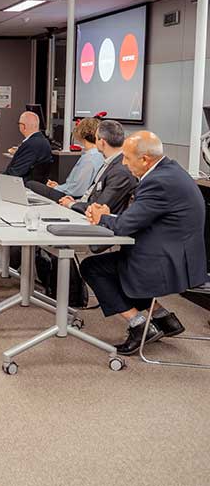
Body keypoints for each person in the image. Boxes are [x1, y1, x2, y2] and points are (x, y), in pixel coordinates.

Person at [81, 131, 207, 355]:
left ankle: (140, 325)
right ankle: (163, 318)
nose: (124, 163)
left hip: (165, 262)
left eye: (127, 158)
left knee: (93, 267)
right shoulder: (171, 171)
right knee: (120, 261)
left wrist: (102, 217)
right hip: (179, 255)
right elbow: (140, 217)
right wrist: (109, 216)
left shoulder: (157, 182)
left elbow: (124, 227)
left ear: (145, 160)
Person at [59, 120, 137, 215]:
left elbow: (100, 206)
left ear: (102, 142)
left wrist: (71, 204)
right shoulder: (111, 162)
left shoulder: (120, 171)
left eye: (96, 138)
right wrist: (77, 202)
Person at [26, 117, 104, 202]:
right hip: (69, 192)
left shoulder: (90, 159)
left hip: (69, 197)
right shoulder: (97, 155)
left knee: (30, 184)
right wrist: (59, 186)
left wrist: (57, 188)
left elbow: (77, 190)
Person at [3, 111, 52, 182]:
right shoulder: (41, 141)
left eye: (19, 124)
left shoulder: (32, 144)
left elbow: (17, 171)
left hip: (24, 185)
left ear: (23, 126)